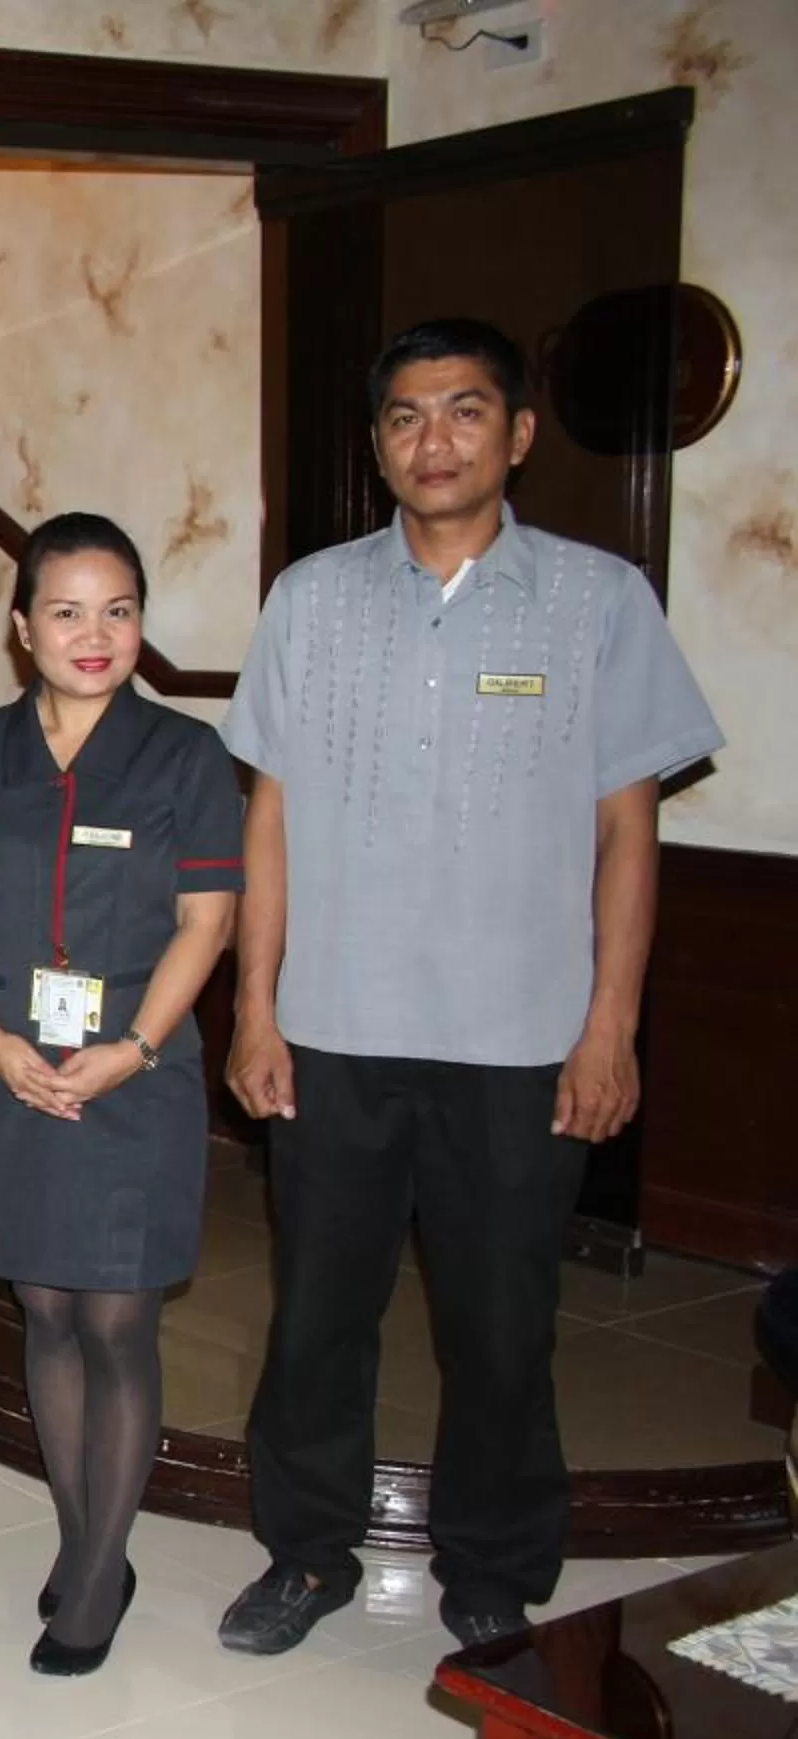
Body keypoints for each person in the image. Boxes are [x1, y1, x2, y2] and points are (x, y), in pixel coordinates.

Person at [218, 319, 723, 1654]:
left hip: (518, 1039)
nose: (431, 440)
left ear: (517, 433)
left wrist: (609, 1029)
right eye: (403, 417)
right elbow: (267, 822)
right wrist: (255, 1010)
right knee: (318, 1319)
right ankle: (307, 1555)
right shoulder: (310, 601)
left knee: (503, 1329)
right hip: (333, 1028)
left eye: (462, 411)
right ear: (376, 442)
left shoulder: (599, 601)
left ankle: (494, 1568)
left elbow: (628, 835)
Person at [0, 515, 240, 1676]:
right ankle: (88, 1539)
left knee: (116, 1316)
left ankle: (98, 1567)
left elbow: (206, 922)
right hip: (16, 1066)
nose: (94, 633)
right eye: (65, 610)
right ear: (21, 629)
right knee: (46, 1312)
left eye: (118, 609)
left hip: (138, 1073)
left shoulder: (186, 755)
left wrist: (130, 1043)